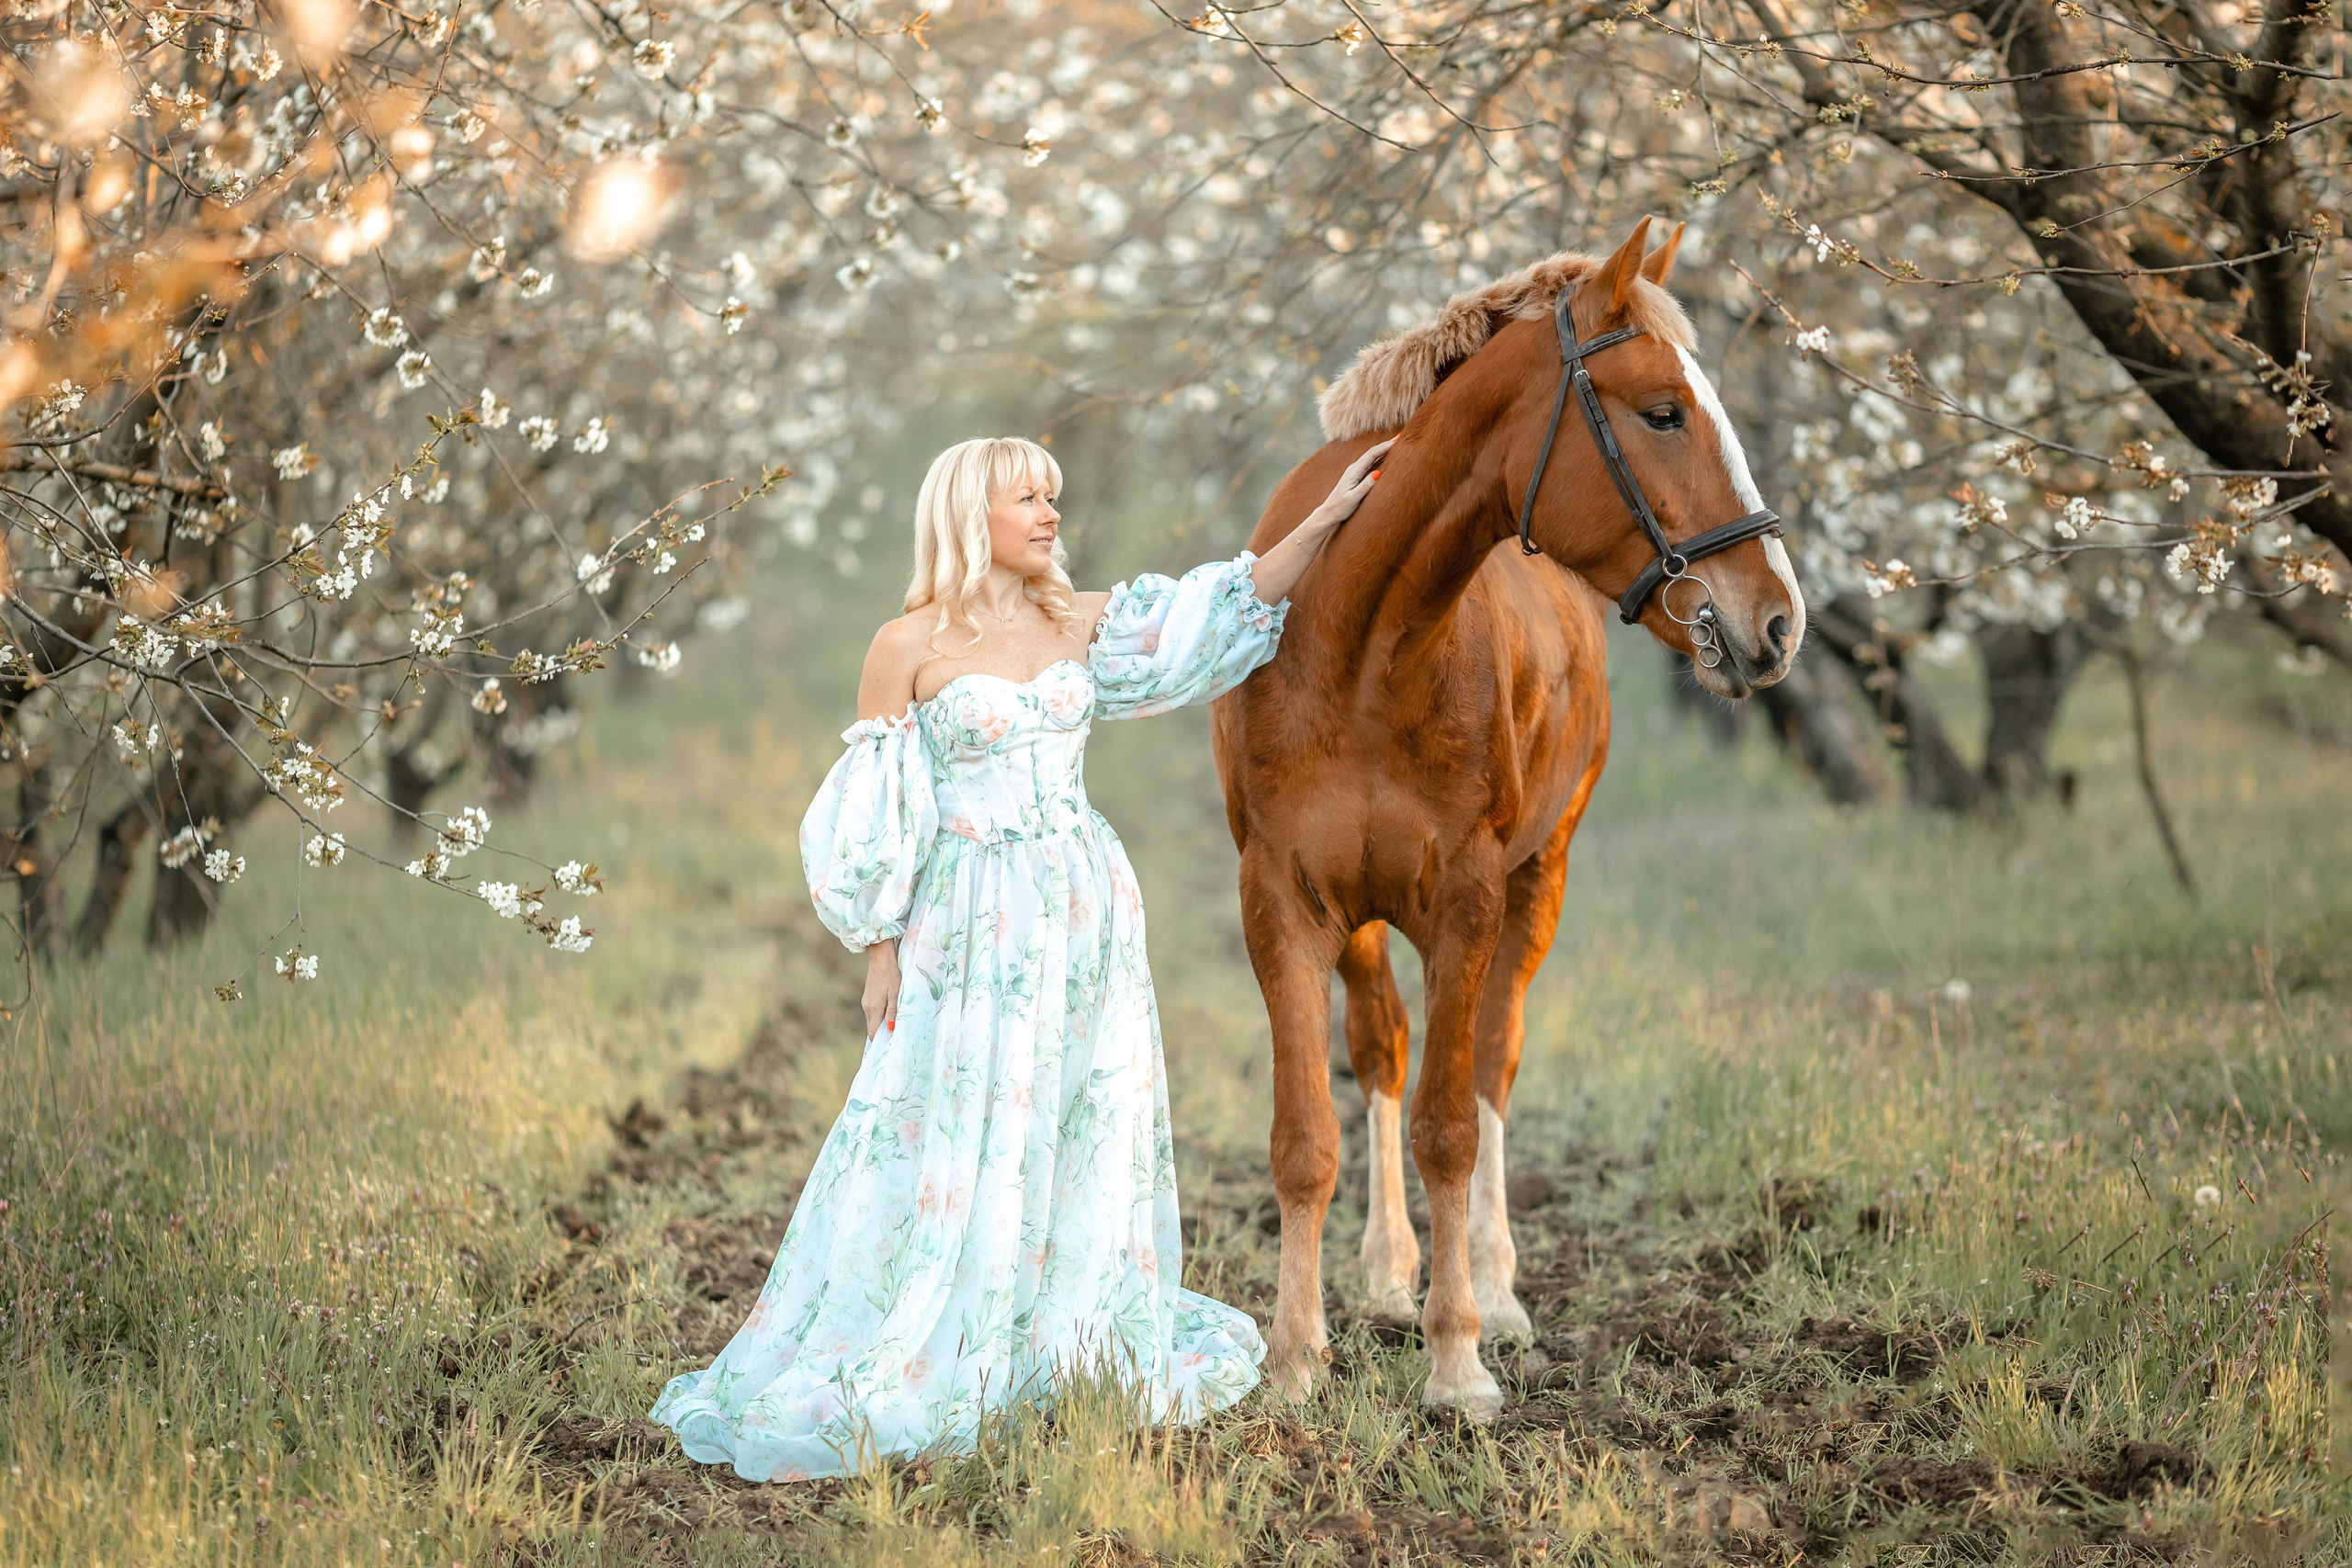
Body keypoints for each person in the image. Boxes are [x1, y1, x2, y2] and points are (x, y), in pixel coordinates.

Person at [648, 433, 1392, 1481]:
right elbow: (878, 810)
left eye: (1054, 494)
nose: (1050, 514)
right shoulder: (905, 646)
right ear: (970, 516)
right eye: (1026, 500)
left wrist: (1322, 521)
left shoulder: (1077, 619)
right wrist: (878, 950)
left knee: (1085, 1113)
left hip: (1083, 903)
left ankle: (1065, 1331)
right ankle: (946, 1332)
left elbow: (1215, 609)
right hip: (967, 917)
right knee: (955, 1119)